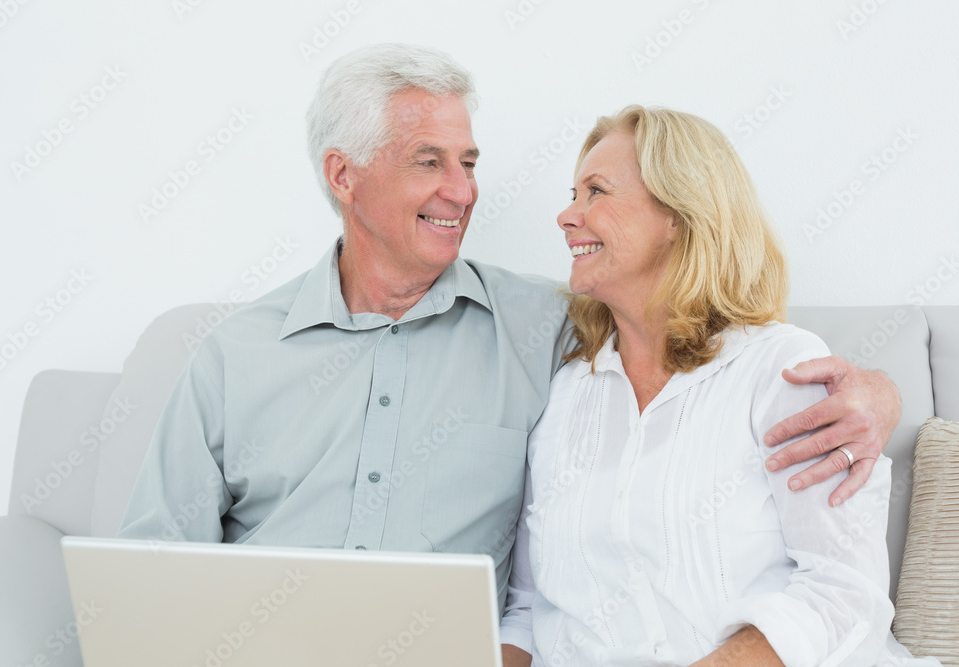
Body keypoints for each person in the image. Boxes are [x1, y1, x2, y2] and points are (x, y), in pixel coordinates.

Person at [116, 44, 902, 664]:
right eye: (430, 160)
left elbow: (707, 340)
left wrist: (879, 395)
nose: (464, 191)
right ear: (343, 175)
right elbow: (149, 581)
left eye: (469, 163)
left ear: (680, 214)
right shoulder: (233, 355)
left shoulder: (546, 332)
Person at [500, 106, 937, 666]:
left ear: (679, 215)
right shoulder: (565, 394)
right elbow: (531, 606)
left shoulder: (783, 371)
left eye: (596, 192)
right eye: (573, 193)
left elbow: (842, 593)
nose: (566, 215)